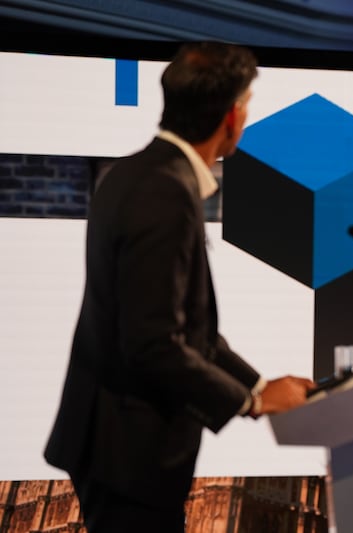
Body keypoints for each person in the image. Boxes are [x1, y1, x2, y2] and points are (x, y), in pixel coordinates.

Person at [44, 41, 315, 532]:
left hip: (114, 441)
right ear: (231, 117)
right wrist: (252, 402)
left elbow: (189, 330)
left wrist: (257, 386)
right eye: (247, 107)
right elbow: (153, 344)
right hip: (128, 450)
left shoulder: (138, 172)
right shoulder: (163, 193)